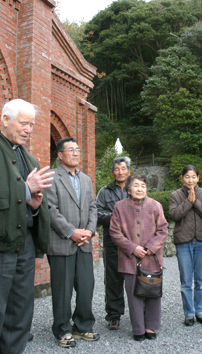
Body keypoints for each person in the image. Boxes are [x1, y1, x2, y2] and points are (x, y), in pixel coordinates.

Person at [0, 99, 54, 354]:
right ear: (5, 120)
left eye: (32, 124)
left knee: (20, 314)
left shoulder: (28, 157)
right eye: (24, 123)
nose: (29, 129)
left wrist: (35, 204)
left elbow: (32, 200)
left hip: (24, 245)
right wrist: (26, 189)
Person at [47, 137, 99, 347]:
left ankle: (83, 326)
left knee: (86, 287)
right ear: (60, 155)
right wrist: (71, 232)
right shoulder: (51, 177)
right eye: (71, 150)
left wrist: (89, 230)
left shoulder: (86, 179)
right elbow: (50, 209)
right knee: (62, 290)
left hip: (84, 243)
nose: (76, 153)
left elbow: (93, 208)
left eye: (78, 149)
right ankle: (62, 330)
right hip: (62, 243)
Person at [109, 174, 168, 341]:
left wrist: (150, 247)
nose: (140, 189)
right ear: (128, 189)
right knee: (134, 294)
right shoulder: (119, 207)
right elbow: (114, 232)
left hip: (152, 257)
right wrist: (132, 248)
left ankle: (151, 326)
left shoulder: (155, 206)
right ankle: (138, 328)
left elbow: (163, 230)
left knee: (152, 292)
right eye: (136, 185)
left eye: (143, 185)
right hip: (129, 259)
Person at [169, 165, 202, 326]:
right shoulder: (175, 195)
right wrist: (188, 202)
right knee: (186, 281)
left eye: (194, 176)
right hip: (183, 241)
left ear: (198, 178)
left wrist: (195, 202)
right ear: (182, 178)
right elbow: (174, 215)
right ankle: (189, 313)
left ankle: (200, 311)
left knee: (201, 280)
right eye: (187, 177)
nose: (191, 180)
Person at [96, 156, 131, 330]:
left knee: (136, 279)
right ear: (113, 172)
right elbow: (96, 213)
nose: (120, 172)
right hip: (112, 243)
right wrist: (117, 218)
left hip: (134, 243)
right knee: (113, 280)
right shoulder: (105, 191)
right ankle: (114, 315)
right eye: (117, 169)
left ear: (129, 171)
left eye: (123, 168)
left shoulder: (136, 188)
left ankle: (138, 313)